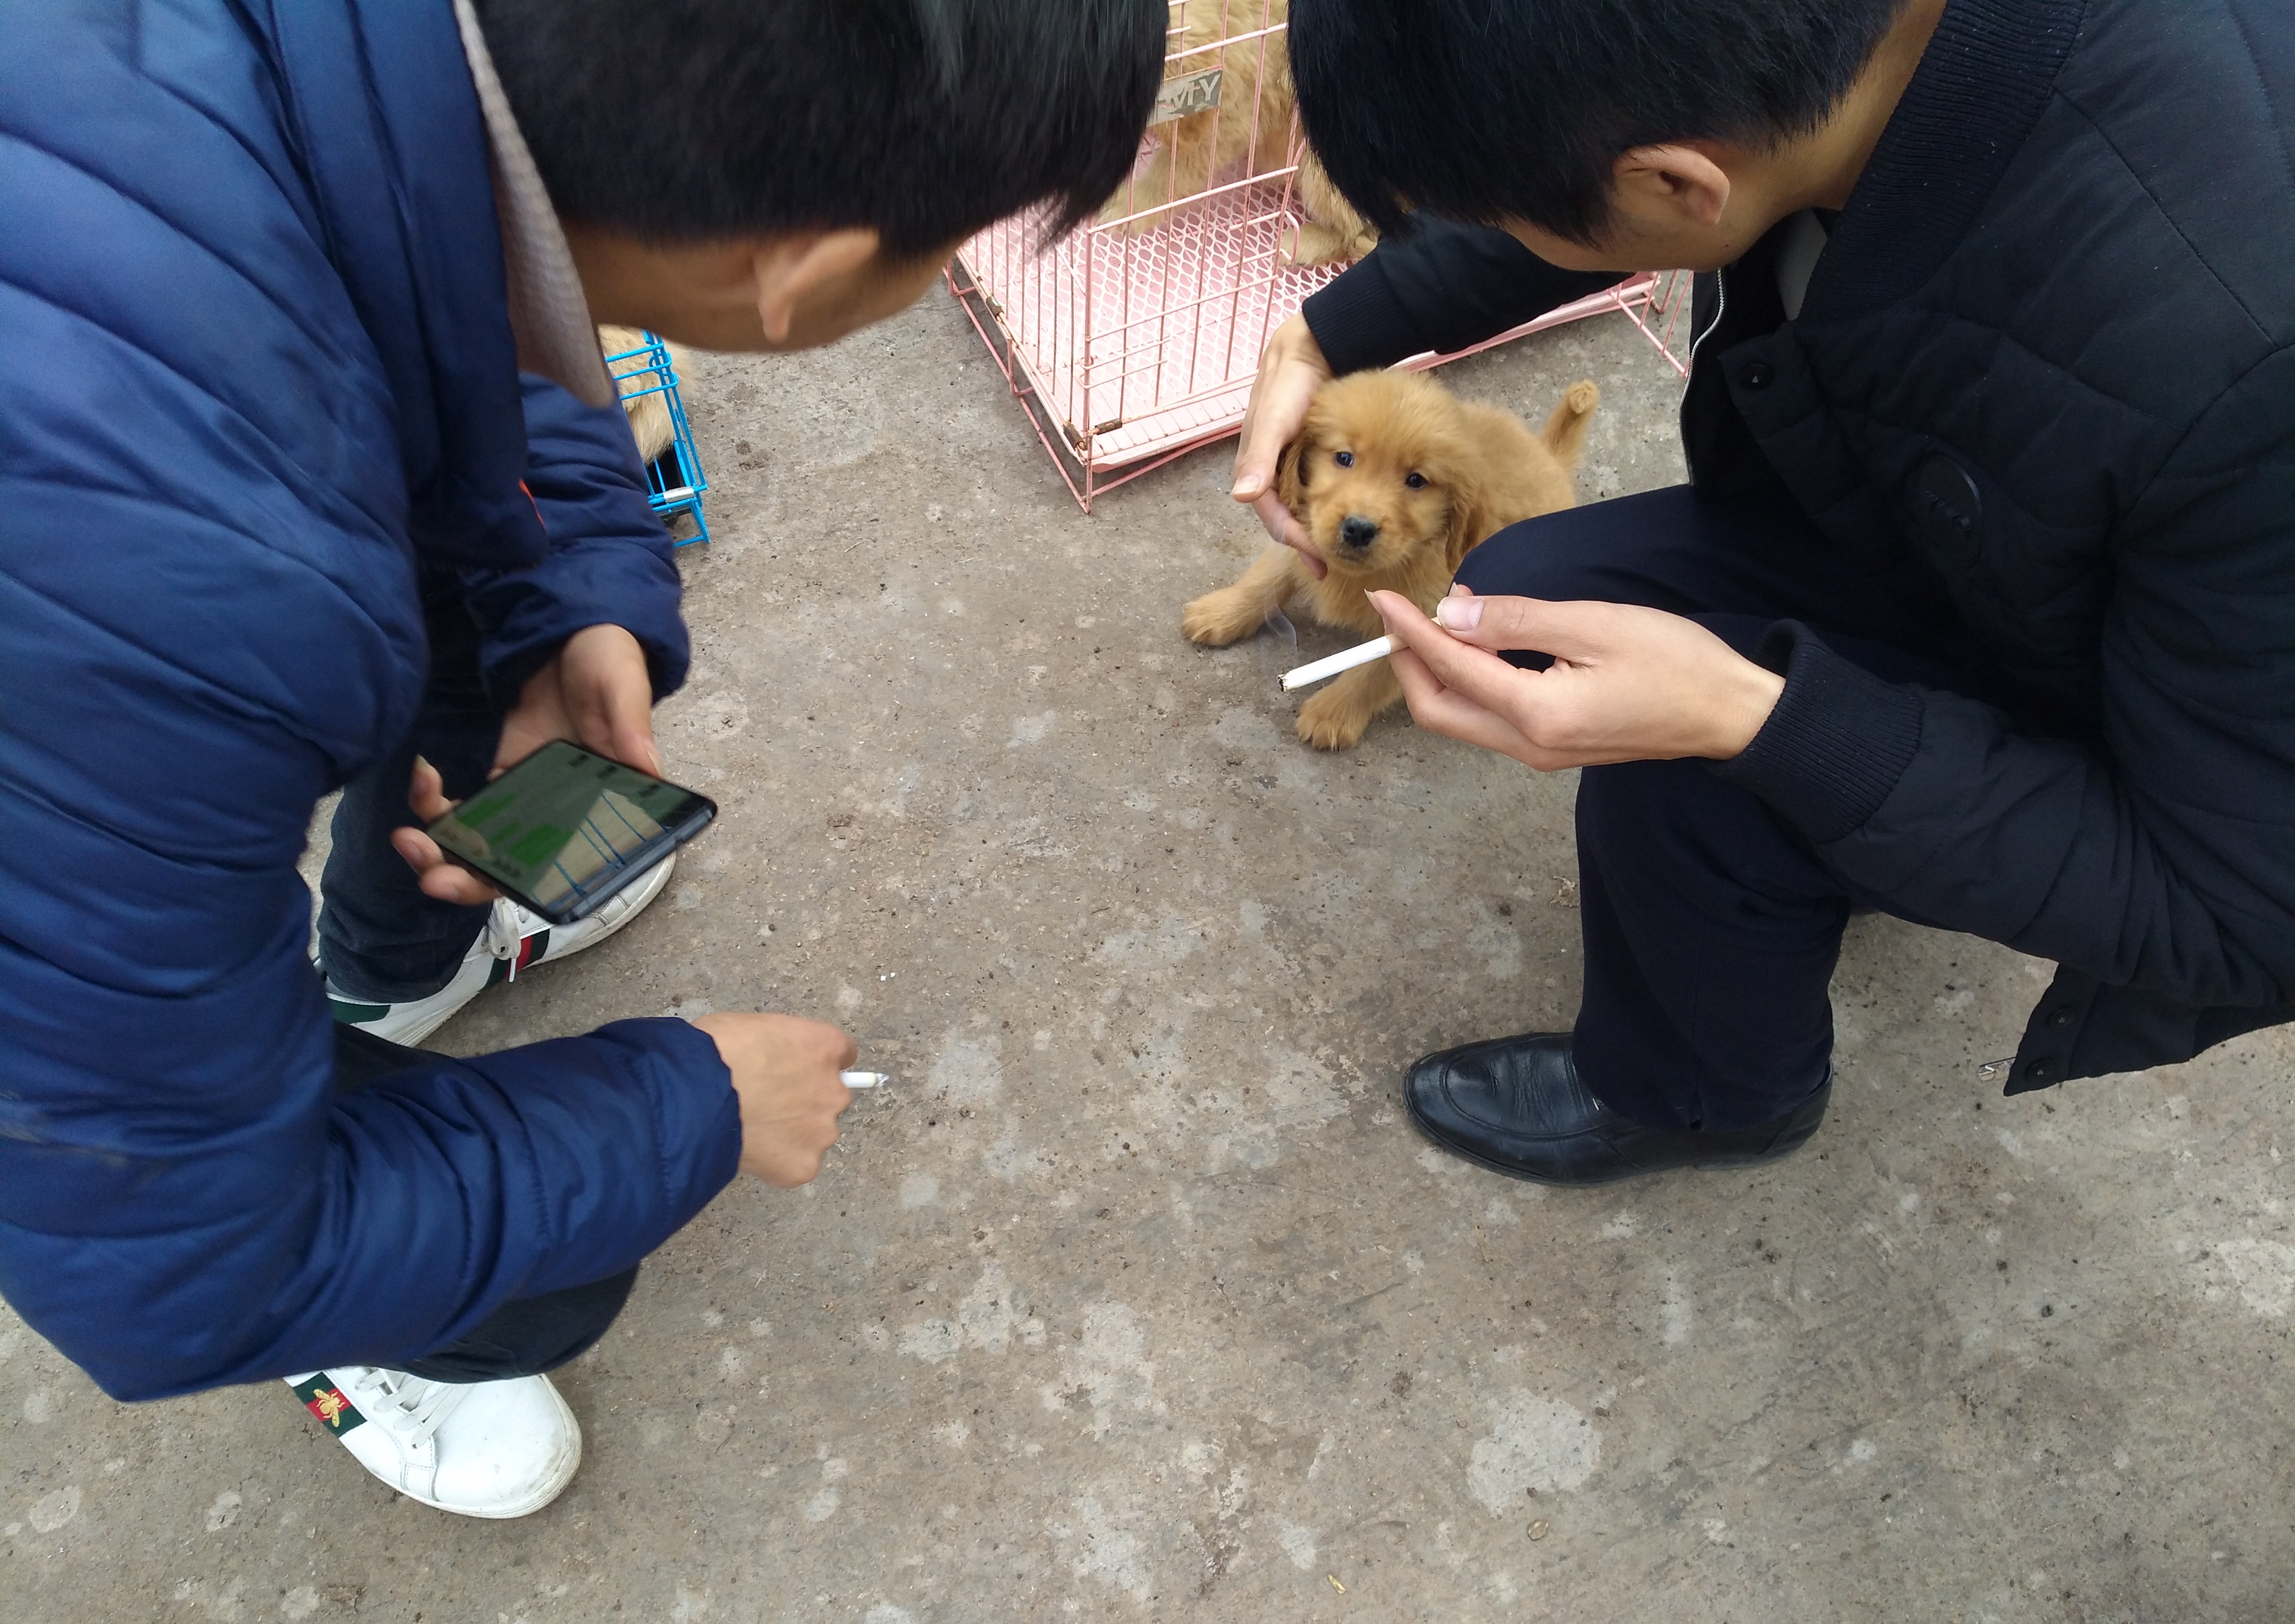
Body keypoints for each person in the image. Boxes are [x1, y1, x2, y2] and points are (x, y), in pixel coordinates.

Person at [0, 0, 1162, 1518]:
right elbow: (170, 1267)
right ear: (804, 275)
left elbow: (444, 291)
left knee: (478, 611)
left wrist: (573, 595)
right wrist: (691, 1109)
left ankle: (391, 972)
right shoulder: (182, 585)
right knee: (548, 1270)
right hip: (95, 637)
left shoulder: (388, 82)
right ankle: (364, 1343)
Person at [1232, 0, 2295, 1185]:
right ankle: (1825, 847)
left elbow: (2236, 914)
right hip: (1942, 533)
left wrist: (1757, 720)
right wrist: (1329, 333)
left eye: (1493, 212)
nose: (1490, 232)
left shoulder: (2243, 360)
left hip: (2151, 741)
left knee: (1686, 745)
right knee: (1526, 593)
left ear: (1681, 185)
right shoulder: (1811, 73)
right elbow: (1592, 139)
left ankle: (1710, 1091)